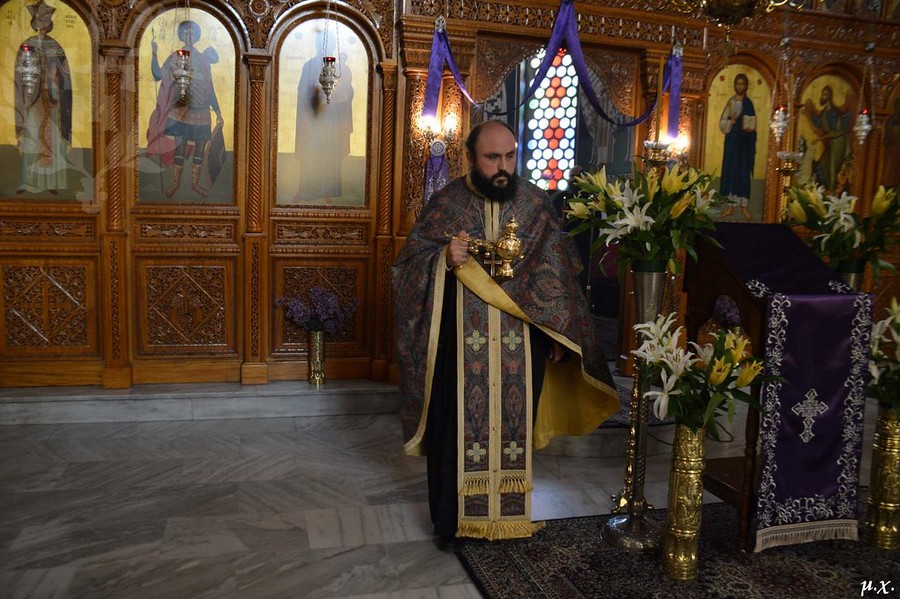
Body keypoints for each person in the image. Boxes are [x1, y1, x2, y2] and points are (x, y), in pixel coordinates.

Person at [392, 120, 620, 550]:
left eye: (510, 156)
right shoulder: (446, 203)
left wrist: (558, 333)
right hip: (459, 344)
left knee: (512, 431)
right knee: (455, 432)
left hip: (522, 343)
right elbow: (407, 268)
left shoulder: (534, 203)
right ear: (469, 157)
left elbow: (558, 272)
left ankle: (508, 517)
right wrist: (443, 258)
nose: (502, 167)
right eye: (492, 157)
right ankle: (453, 524)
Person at [146, 20, 224, 199]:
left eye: (192, 33)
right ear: (181, 35)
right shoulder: (177, 56)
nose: (189, 36)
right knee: (179, 149)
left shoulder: (203, 60)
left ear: (197, 36)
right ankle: (176, 184)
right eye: (185, 33)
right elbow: (158, 75)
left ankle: (195, 184)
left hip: (202, 111)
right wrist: (154, 53)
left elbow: (210, 88)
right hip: (181, 109)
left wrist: (218, 112)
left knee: (200, 149)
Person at [14, 0, 72, 195]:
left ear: (49, 24)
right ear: (34, 22)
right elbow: (20, 72)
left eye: (45, 21)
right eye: (39, 21)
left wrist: (55, 77)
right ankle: (28, 181)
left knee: (51, 139)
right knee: (31, 137)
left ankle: (51, 182)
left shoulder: (55, 46)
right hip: (32, 99)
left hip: (52, 99)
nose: (42, 25)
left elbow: (65, 75)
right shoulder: (27, 45)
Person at [294, 37, 353, 201]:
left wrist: (341, 97)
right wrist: (315, 99)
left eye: (330, 45)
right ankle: (307, 190)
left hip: (332, 121)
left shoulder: (341, 69)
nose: (325, 47)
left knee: (330, 154)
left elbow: (347, 91)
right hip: (313, 120)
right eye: (321, 44)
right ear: (316, 45)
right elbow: (302, 92)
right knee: (311, 153)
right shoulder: (309, 66)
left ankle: (328, 190)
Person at [718, 73, 756, 220]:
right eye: (738, 84)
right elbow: (722, 122)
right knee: (732, 171)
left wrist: (750, 128)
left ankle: (744, 207)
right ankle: (730, 206)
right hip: (732, 142)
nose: (740, 86)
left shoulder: (748, 103)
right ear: (735, 85)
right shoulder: (731, 102)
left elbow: (752, 122)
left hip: (745, 143)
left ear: (746, 86)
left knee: (743, 173)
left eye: (742, 84)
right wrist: (730, 122)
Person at [805, 85, 851, 194]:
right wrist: (807, 116)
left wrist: (819, 139)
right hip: (831, 143)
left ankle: (833, 194)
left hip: (839, 142)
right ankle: (824, 192)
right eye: (822, 94)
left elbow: (833, 132)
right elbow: (817, 124)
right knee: (821, 164)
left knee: (832, 169)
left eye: (825, 94)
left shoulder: (833, 112)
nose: (823, 97)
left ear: (829, 96)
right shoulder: (825, 111)